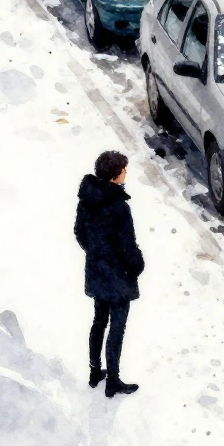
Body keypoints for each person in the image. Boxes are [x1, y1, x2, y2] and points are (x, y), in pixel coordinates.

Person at [74, 150, 144, 398]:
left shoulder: (87, 201)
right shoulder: (118, 207)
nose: (126, 173)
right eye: (124, 170)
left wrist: (96, 253)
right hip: (118, 275)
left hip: (97, 270)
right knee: (117, 327)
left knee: (98, 321)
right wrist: (136, 265)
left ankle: (95, 371)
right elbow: (127, 245)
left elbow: (80, 233)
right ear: (115, 174)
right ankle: (113, 379)